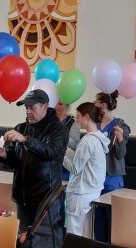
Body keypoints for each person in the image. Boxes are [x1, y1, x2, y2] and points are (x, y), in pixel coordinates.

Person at [0, 89, 68, 247]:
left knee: (44, 242)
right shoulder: (20, 128)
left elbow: (51, 152)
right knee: (24, 241)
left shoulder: (58, 130)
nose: (28, 112)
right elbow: (15, 161)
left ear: (45, 106)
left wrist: (26, 140)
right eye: (26, 108)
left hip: (45, 199)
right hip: (23, 197)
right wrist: (4, 154)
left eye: (32, 107)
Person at [64, 102, 109, 237]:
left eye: (78, 117)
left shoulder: (88, 141)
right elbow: (82, 159)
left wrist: (60, 155)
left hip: (80, 195)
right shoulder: (99, 138)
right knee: (86, 236)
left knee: (74, 236)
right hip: (91, 193)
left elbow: (75, 168)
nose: (76, 120)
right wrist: (67, 152)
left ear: (87, 117)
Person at [93, 90, 130, 242]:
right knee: (99, 220)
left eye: (95, 102)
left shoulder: (120, 125)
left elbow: (120, 154)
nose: (93, 105)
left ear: (103, 105)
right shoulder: (94, 125)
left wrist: (120, 140)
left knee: (112, 220)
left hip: (112, 180)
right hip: (95, 179)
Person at [55, 99, 80, 181]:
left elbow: (75, 145)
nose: (56, 106)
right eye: (55, 103)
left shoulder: (73, 123)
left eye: (60, 104)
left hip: (65, 165)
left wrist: (61, 138)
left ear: (67, 106)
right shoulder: (49, 120)